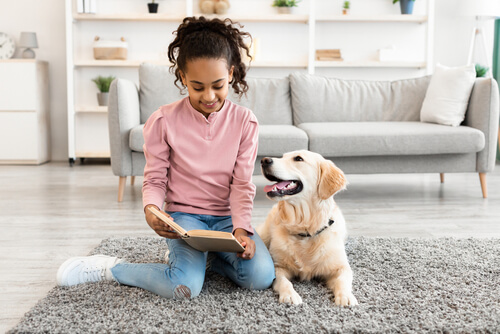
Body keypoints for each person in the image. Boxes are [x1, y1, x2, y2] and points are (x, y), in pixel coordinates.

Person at [57, 16, 275, 299]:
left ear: (231, 74)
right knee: (183, 287)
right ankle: (110, 267)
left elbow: (242, 184)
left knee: (260, 277)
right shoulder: (163, 121)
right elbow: (156, 177)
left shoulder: (245, 122)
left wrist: (242, 230)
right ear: (183, 77)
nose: (209, 95)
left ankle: (211, 258)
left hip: (226, 222)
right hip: (186, 220)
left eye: (218, 85)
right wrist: (151, 210)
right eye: (197, 87)